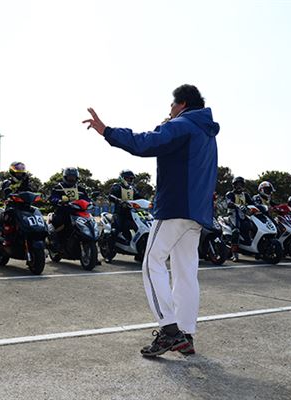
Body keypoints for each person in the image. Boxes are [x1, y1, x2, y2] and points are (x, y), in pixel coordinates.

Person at [83, 83, 219, 357]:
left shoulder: (182, 124)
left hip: (174, 208)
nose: (169, 109)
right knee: (185, 272)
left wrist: (107, 131)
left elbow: (146, 142)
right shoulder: (206, 132)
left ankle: (169, 330)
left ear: (182, 104)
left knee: (151, 263)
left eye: (172, 104)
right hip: (196, 213)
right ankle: (186, 334)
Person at [48, 167, 91, 249]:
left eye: (73, 177)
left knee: (90, 222)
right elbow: (53, 198)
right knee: (60, 222)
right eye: (69, 177)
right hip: (63, 211)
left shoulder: (81, 189)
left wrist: (90, 202)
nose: (71, 179)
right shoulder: (58, 187)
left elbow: (86, 199)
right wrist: (59, 201)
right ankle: (55, 242)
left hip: (79, 212)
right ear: (65, 177)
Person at [108, 169, 143, 243]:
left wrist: (146, 202)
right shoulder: (117, 186)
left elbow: (139, 197)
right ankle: (110, 245)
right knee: (116, 230)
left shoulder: (132, 189)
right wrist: (118, 200)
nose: (130, 180)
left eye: (131, 179)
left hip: (131, 213)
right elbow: (111, 196)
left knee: (139, 227)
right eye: (128, 178)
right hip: (119, 213)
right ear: (122, 178)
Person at [225, 176, 255, 262]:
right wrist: (236, 205)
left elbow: (252, 203)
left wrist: (259, 207)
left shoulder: (245, 195)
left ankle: (250, 247)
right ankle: (234, 254)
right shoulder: (230, 194)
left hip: (243, 215)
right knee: (236, 231)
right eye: (237, 184)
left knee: (253, 226)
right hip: (233, 215)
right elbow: (229, 202)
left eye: (241, 184)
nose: (239, 186)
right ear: (233, 185)